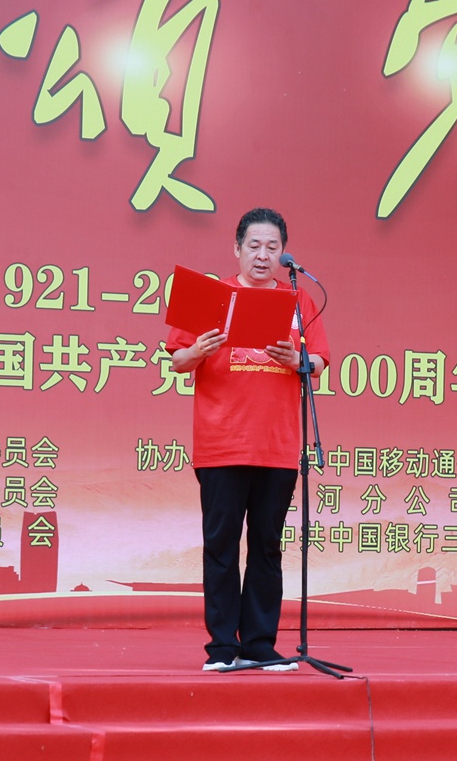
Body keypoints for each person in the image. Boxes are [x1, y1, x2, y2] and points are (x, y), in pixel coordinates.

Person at [166, 207, 329, 672]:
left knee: (267, 546)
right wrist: (198, 351)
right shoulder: (212, 296)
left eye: (272, 247)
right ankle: (221, 648)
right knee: (220, 546)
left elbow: (319, 362)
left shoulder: (299, 301)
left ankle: (259, 645)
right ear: (237, 248)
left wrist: (295, 361)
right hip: (221, 443)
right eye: (254, 246)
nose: (262, 255)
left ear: (283, 254)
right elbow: (177, 360)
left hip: (277, 446)